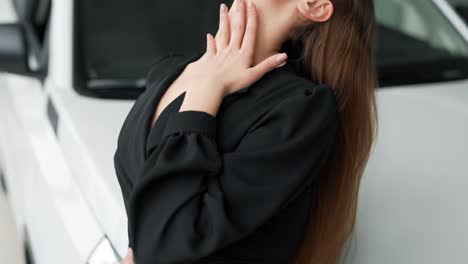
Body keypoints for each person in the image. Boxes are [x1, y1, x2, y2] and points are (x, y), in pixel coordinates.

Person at [114, 0, 378, 263]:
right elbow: (148, 228)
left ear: (315, 5)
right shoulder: (167, 72)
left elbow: (167, 242)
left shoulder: (299, 109)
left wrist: (207, 90)